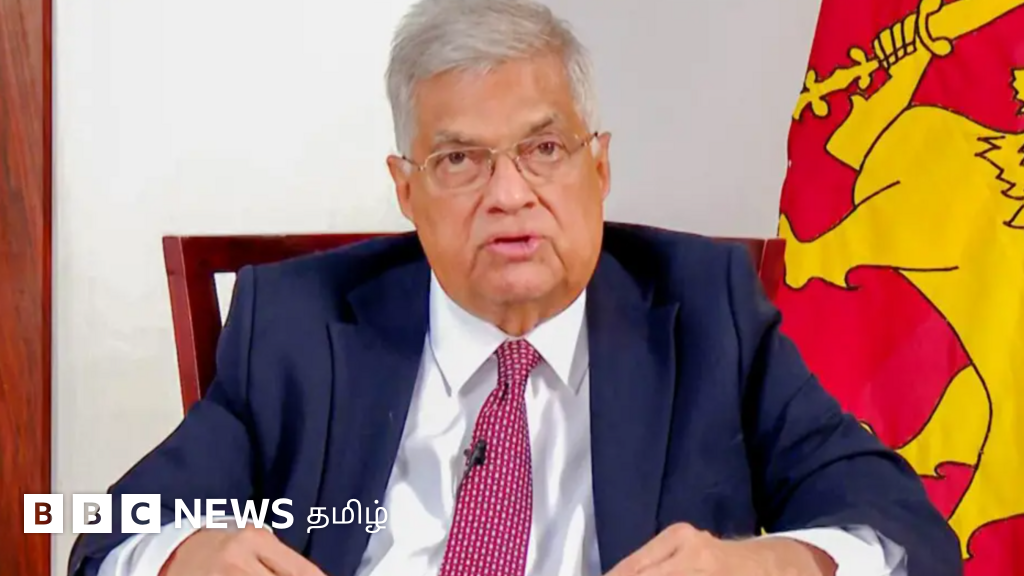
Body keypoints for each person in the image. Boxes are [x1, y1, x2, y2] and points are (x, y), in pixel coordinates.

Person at [68, 0, 961, 575]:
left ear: (599, 167)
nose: (509, 194)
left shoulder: (706, 312)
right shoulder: (300, 328)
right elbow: (106, 535)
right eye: (460, 159)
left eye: (543, 149)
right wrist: (187, 555)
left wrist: (771, 564)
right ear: (405, 190)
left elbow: (907, 534)